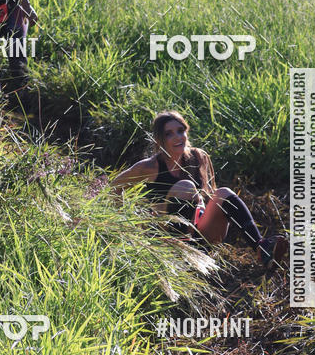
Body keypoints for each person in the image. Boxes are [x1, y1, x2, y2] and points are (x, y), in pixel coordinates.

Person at [112, 110, 288, 266]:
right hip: (166, 237)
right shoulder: (149, 167)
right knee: (185, 187)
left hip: (201, 232)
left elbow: (210, 193)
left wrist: (201, 203)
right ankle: (182, 255)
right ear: (159, 140)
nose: (178, 137)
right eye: (169, 134)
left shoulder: (198, 157)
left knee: (224, 193)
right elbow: (113, 189)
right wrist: (130, 224)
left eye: (181, 131)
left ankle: (261, 247)